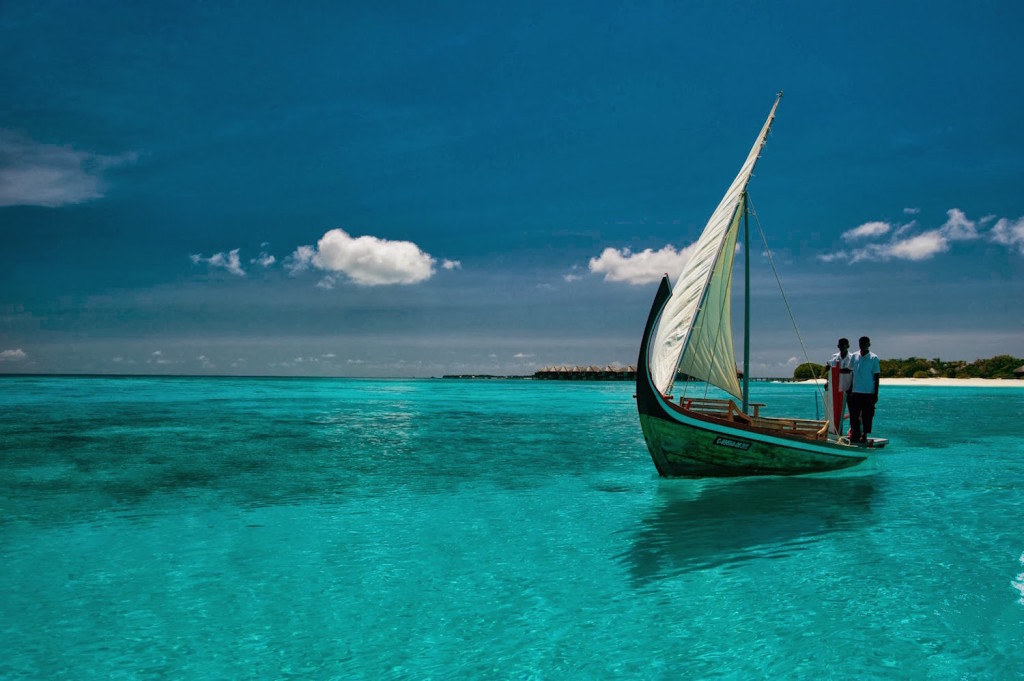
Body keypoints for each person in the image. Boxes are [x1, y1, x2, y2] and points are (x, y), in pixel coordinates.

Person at [848, 336, 880, 444]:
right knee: (854, 416)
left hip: (868, 392)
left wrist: (875, 394)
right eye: (861, 343)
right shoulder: (854, 356)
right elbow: (851, 373)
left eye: (865, 343)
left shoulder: (874, 358)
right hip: (856, 391)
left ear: (869, 344)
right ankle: (855, 435)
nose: (862, 345)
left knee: (867, 416)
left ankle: (864, 435)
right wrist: (850, 389)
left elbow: (876, 377)